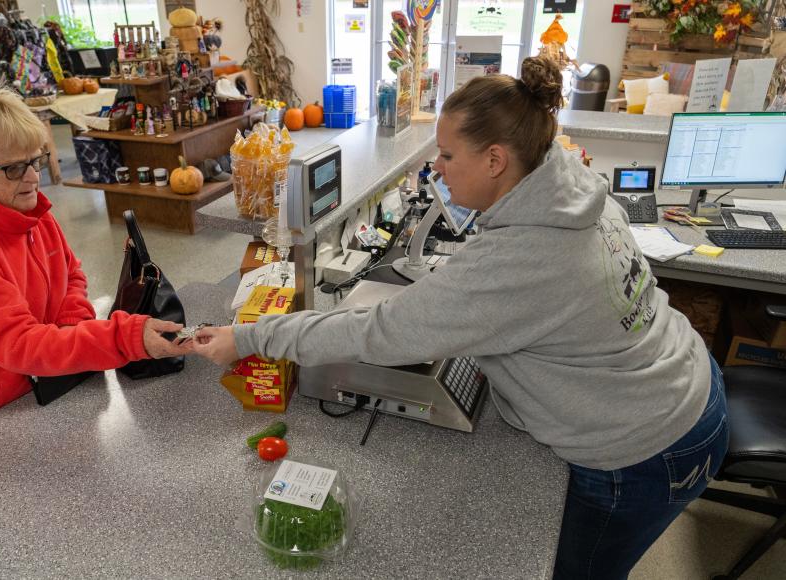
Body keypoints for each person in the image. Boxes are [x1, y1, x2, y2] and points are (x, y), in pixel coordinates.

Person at [195, 56, 728, 580]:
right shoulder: (571, 189)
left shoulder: (520, 259)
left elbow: (378, 332)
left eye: (448, 155)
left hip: (646, 444)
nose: (437, 168)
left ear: (496, 159)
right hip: (686, 374)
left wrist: (249, 337)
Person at [0, 77, 192, 457]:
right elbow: (18, 343)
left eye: (35, 161)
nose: (32, 178)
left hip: (36, 395)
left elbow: (69, 274)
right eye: (12, 168)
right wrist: (123, 338)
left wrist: (73, 325)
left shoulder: (28, 209)